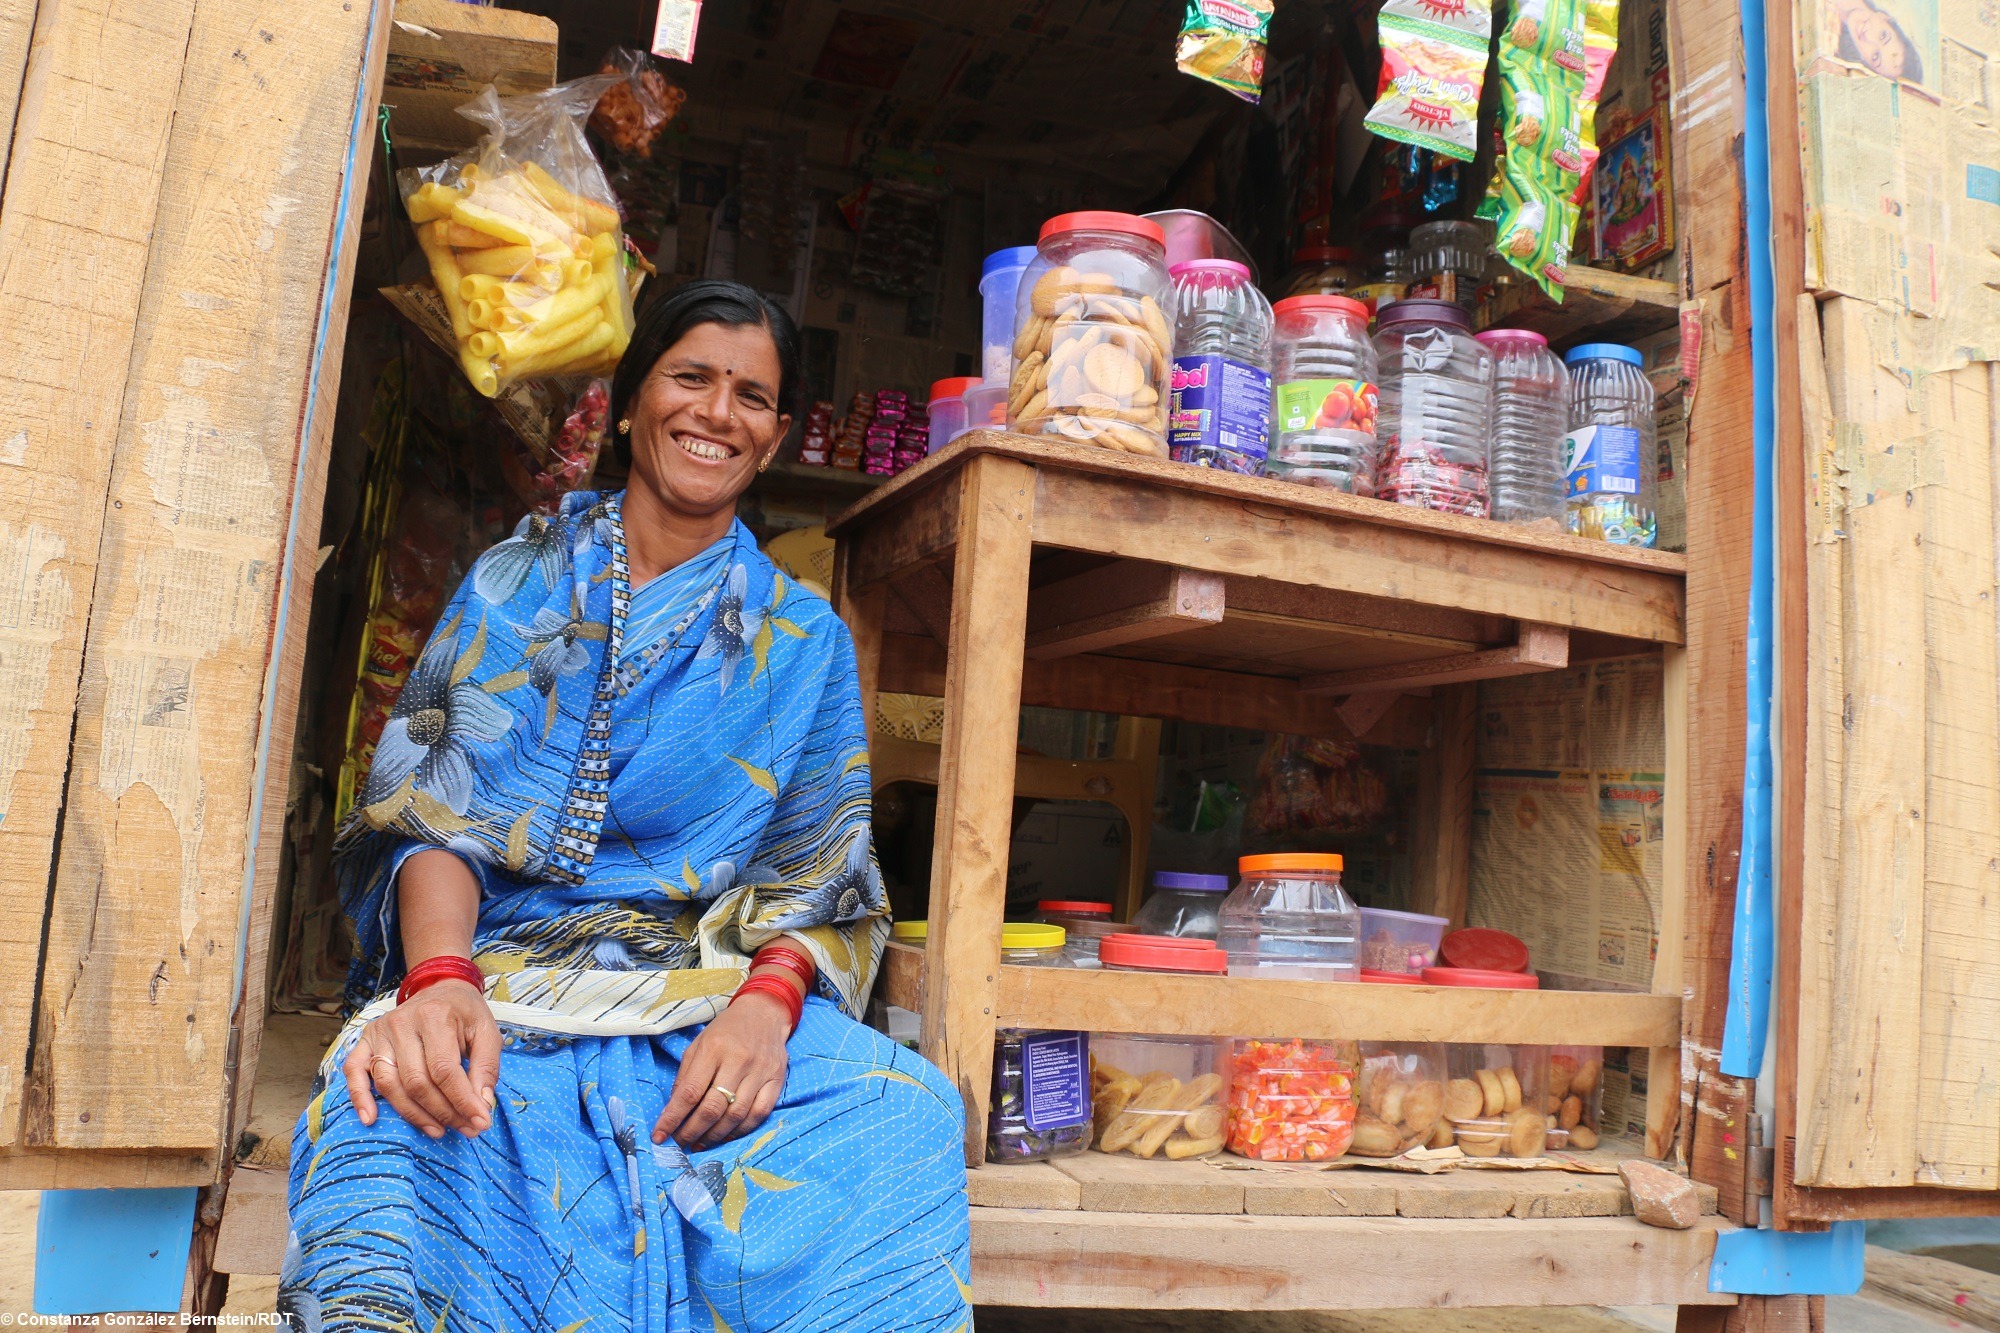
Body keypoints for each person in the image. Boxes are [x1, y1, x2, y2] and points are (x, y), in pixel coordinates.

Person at [281, 280, 972, 1332]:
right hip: (501, 979)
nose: (716, 412)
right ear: (631, 400)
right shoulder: (518, 581)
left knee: (908, 1116)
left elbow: (818, 878)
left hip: (698, 998)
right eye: (690, 377)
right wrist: (437, 981)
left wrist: (765, 1009)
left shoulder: (803, 637)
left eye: (751, 395)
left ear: (775, 435)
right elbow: (430, 816)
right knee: (381, 1126)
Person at [1829, 0, 1924, 81]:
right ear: (1885, 17)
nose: (1868, 36)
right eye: (1883, 36)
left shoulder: (1826, 39)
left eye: (1875, 57)